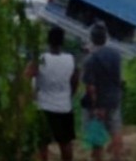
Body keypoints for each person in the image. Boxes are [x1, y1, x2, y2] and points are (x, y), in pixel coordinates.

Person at [25, 26, 79, 161]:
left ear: (48, 41)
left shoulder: (41, 59)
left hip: (44, 106)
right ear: (63, 41)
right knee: (65, 143)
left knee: (42, 144)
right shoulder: (70, 59)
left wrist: (31, 94)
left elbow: (26, 76)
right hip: (64, 107)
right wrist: (69, 95)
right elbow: (75, 80)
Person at [81, 22, 123, 161]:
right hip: (114, 98)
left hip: (99, 101)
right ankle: (117, 157)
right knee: (115, 129)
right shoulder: (116, 55)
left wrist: (95, 106)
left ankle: (98, 158)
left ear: (92, 38)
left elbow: (91, 86)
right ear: (105, 38)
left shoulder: (90, 59)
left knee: (97, 132)